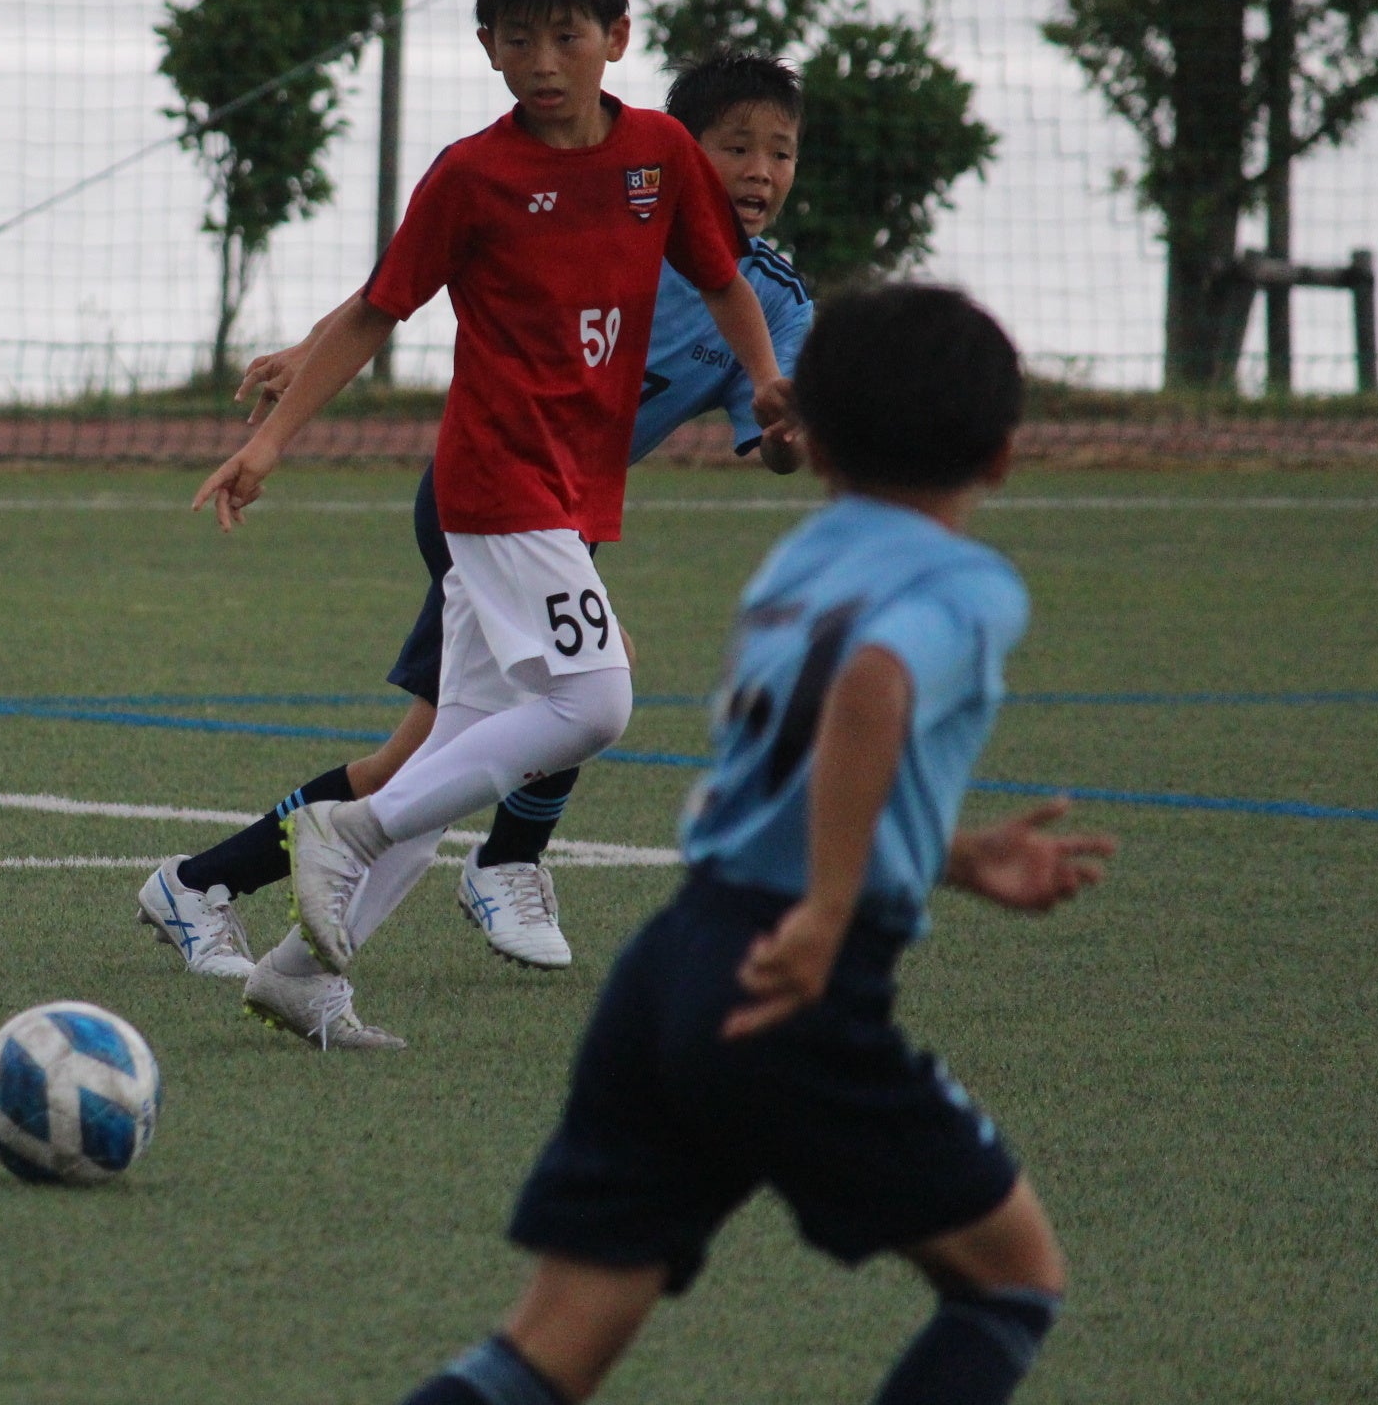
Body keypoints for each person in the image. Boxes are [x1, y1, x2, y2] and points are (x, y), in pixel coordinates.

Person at [398, 283, 1117, 1405]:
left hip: (672, 964)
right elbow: (871, 686)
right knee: (1013, 1282)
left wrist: (944, 852)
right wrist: (830, 910)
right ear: (1004, 454)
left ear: (814, 443)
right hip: (795, 987)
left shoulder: (796, 562)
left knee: (550, 1344)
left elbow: (795, 757)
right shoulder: (968, 584)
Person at [181, 0, 791, 1049]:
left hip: (572, 486)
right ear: (486, 47)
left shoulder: (659, 156)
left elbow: (722, 282)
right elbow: (378, 308)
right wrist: (271, 444)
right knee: (596, 701)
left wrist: (764, 383)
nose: (543, 62)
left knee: (457, 740)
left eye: (567, 36)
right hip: (497, 480)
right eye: (517, 39)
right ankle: (349, 830)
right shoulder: (472, 175)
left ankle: (299, 977)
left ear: (617, 37)